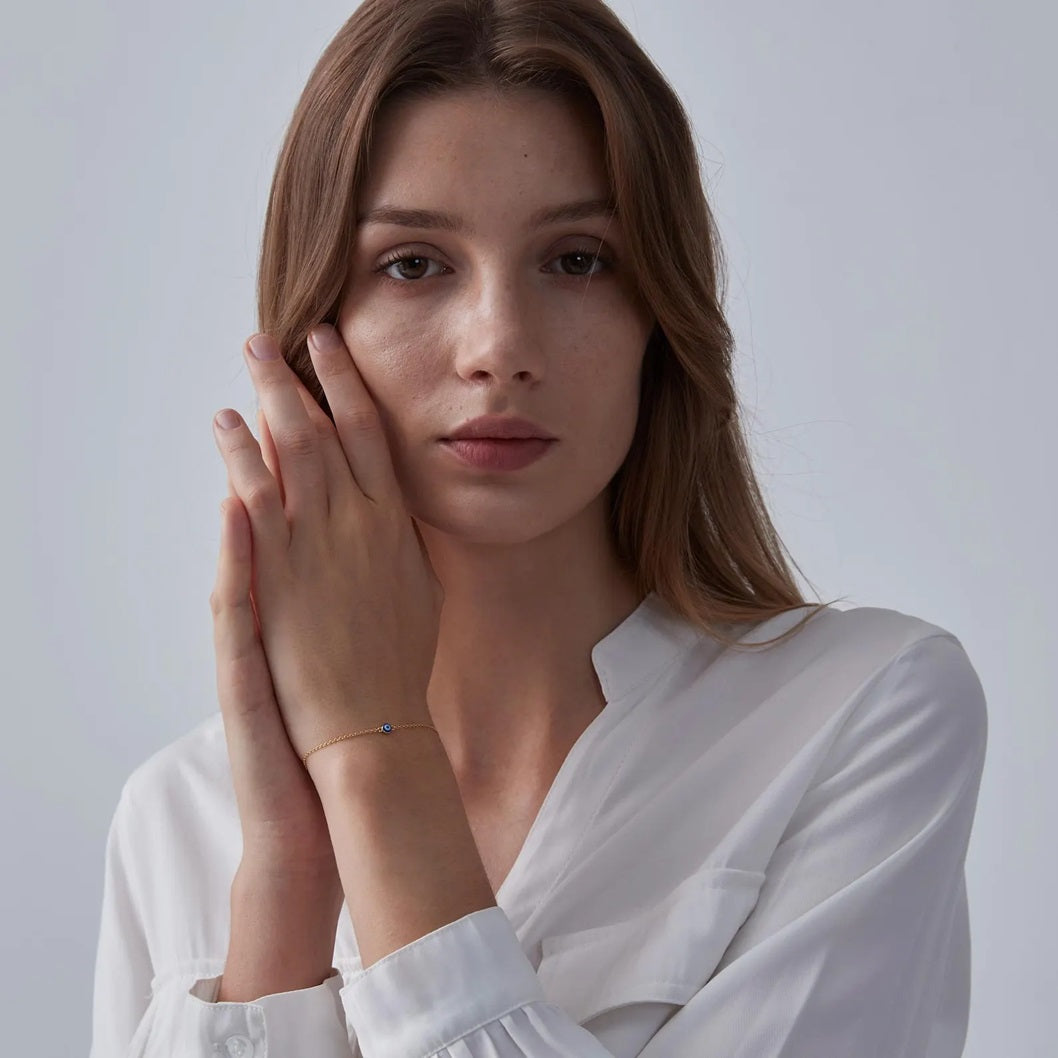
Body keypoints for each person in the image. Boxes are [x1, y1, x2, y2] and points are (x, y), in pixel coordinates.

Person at [89, 1, 989, 1055]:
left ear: (661, 311)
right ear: (309, 338)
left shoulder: (858, 711)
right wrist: (285, 871)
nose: (498, 347)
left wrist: (377, 756)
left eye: (576, 260)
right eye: (414, 264)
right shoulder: (175, 816)